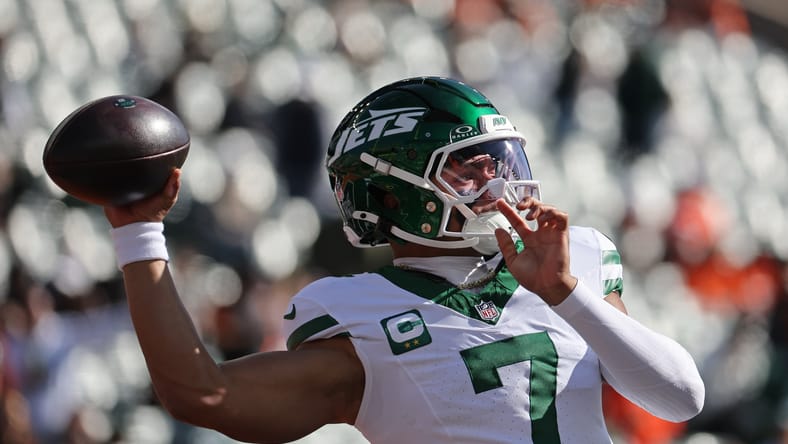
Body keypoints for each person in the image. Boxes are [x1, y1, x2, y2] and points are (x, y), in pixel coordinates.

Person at [102, 77, 705, 443]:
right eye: (469, 168)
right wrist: (139, 233)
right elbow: (203, 396)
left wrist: (565, 293)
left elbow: (680, 398)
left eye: (501, 162)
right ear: (393, 194)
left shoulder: (576, 262)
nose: (497, 183)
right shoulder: (358, 316)